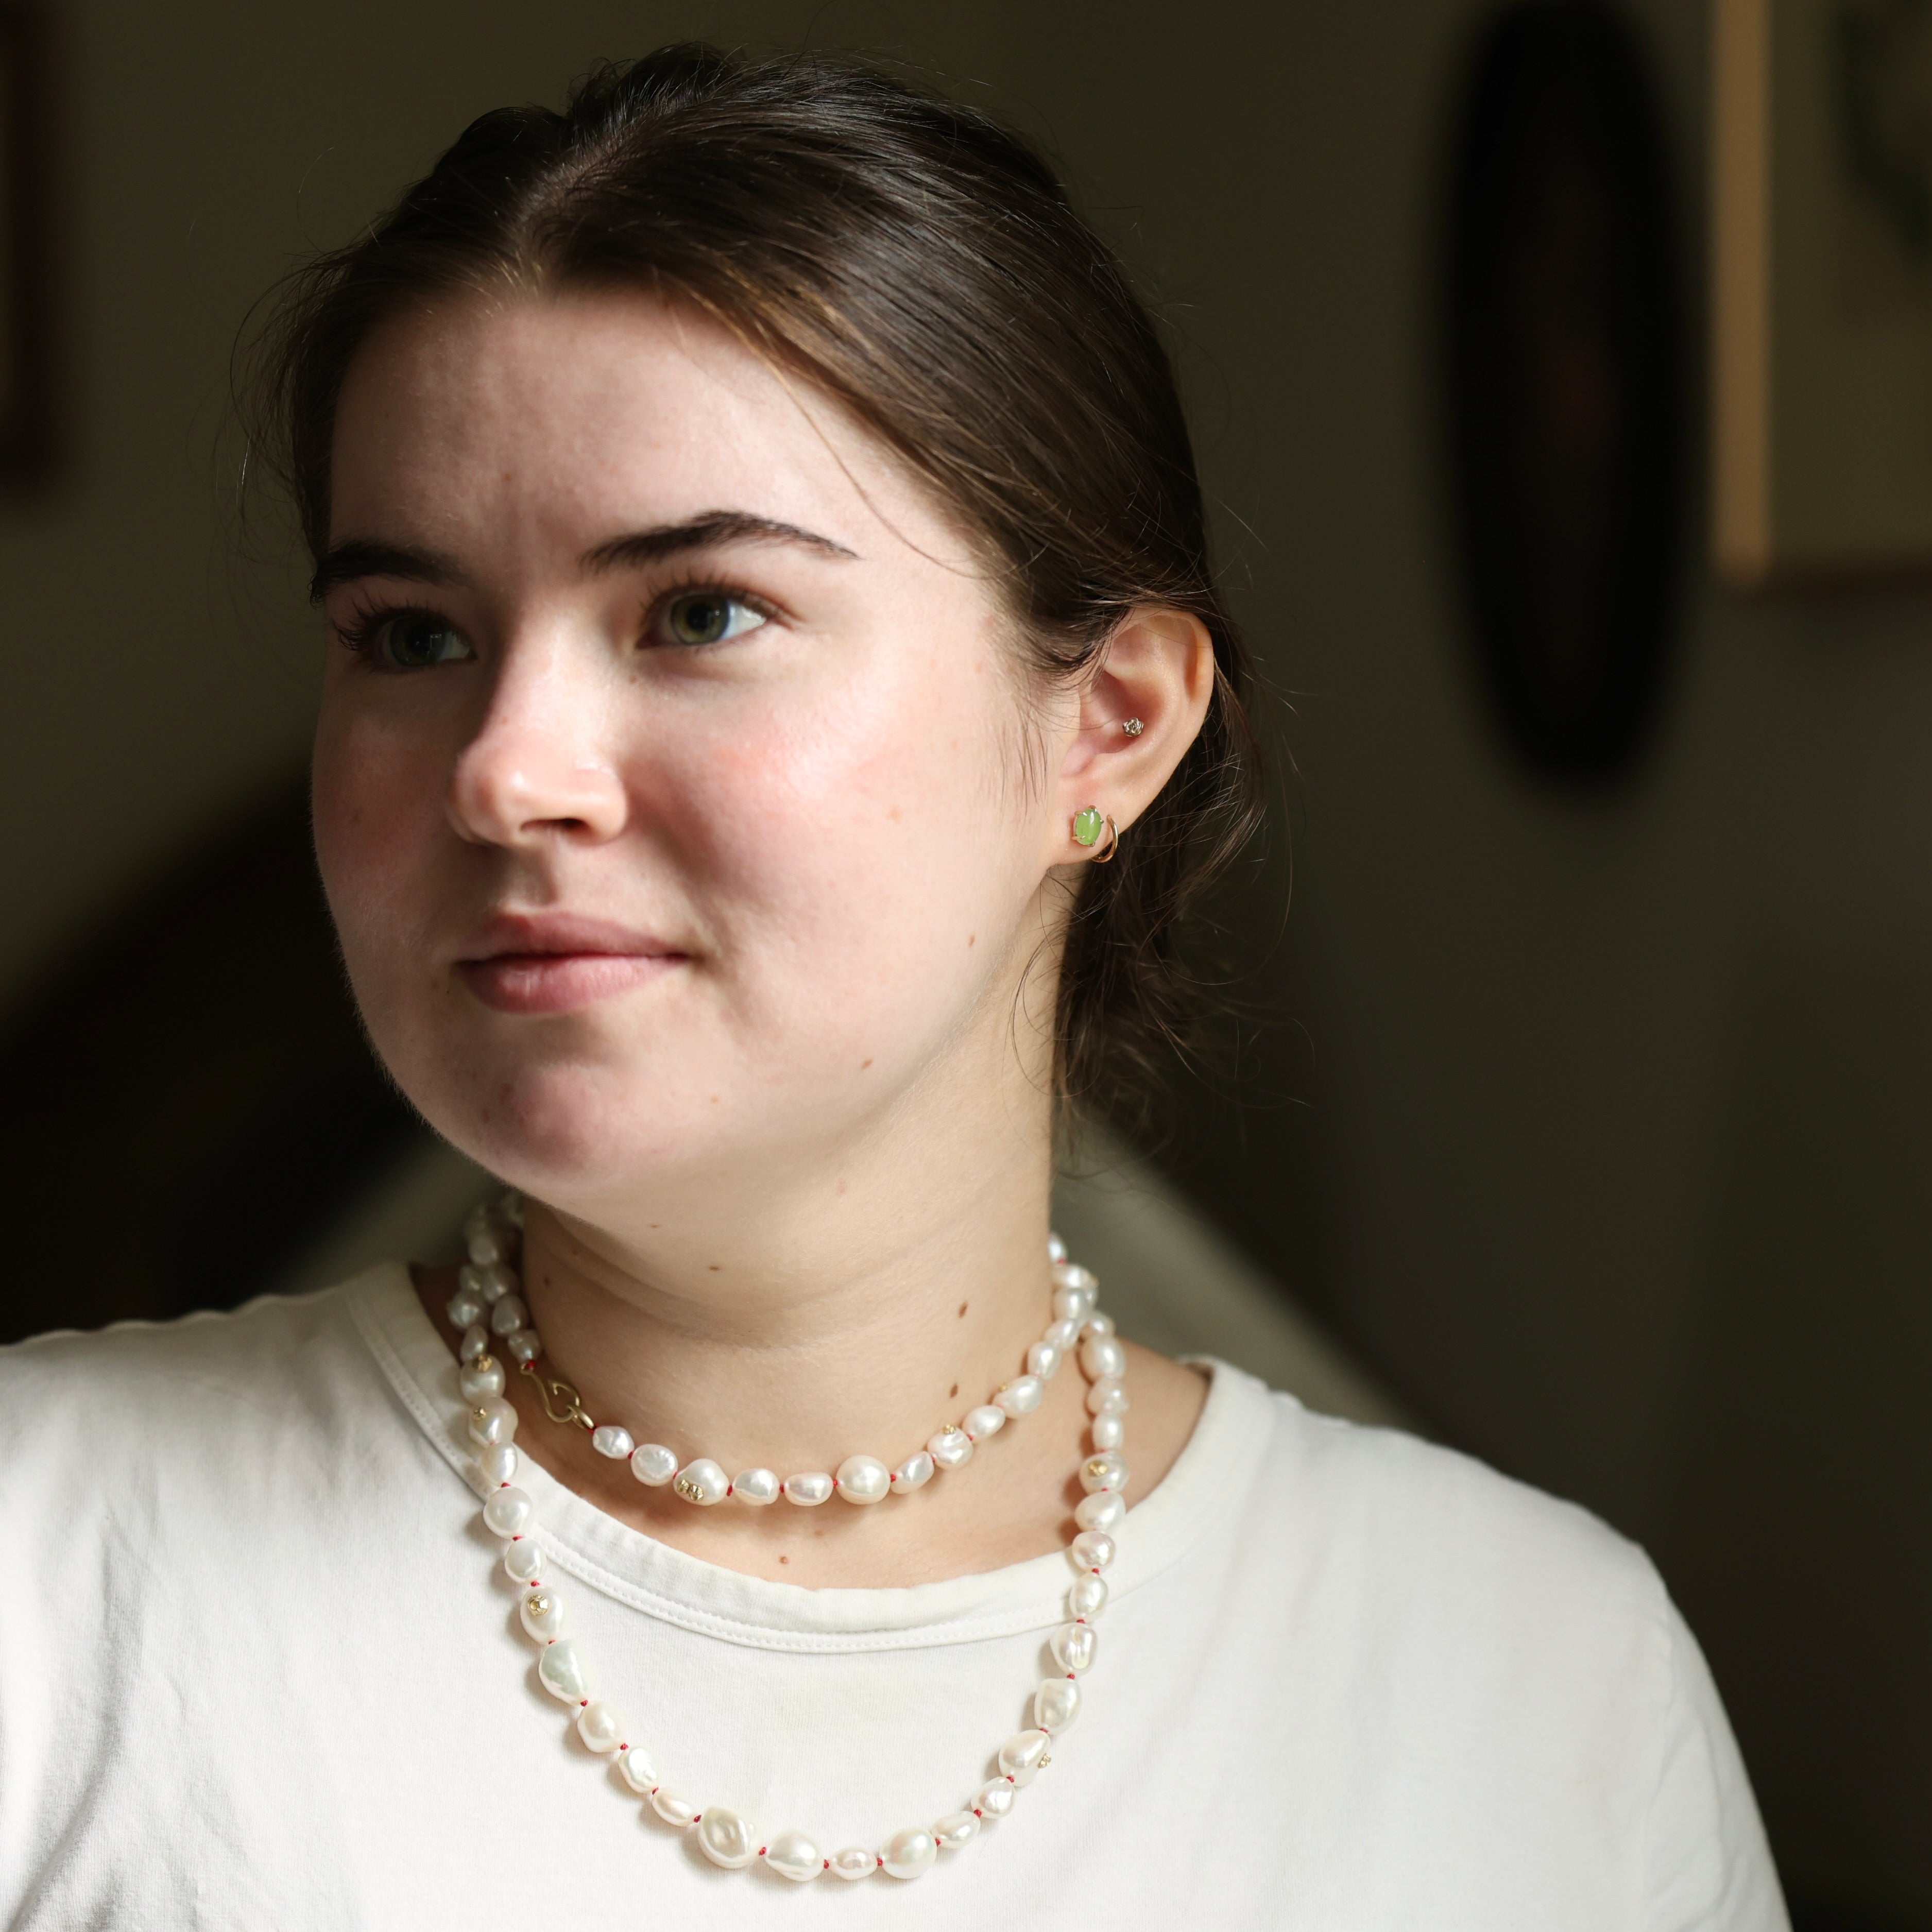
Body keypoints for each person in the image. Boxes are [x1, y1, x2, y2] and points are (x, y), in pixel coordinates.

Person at [0, 45, 1785, 1927]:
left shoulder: (1540, 1685)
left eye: (701, 613)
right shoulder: (54, 1570)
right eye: (411, 634)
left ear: (1106, 727)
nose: (505, 768)